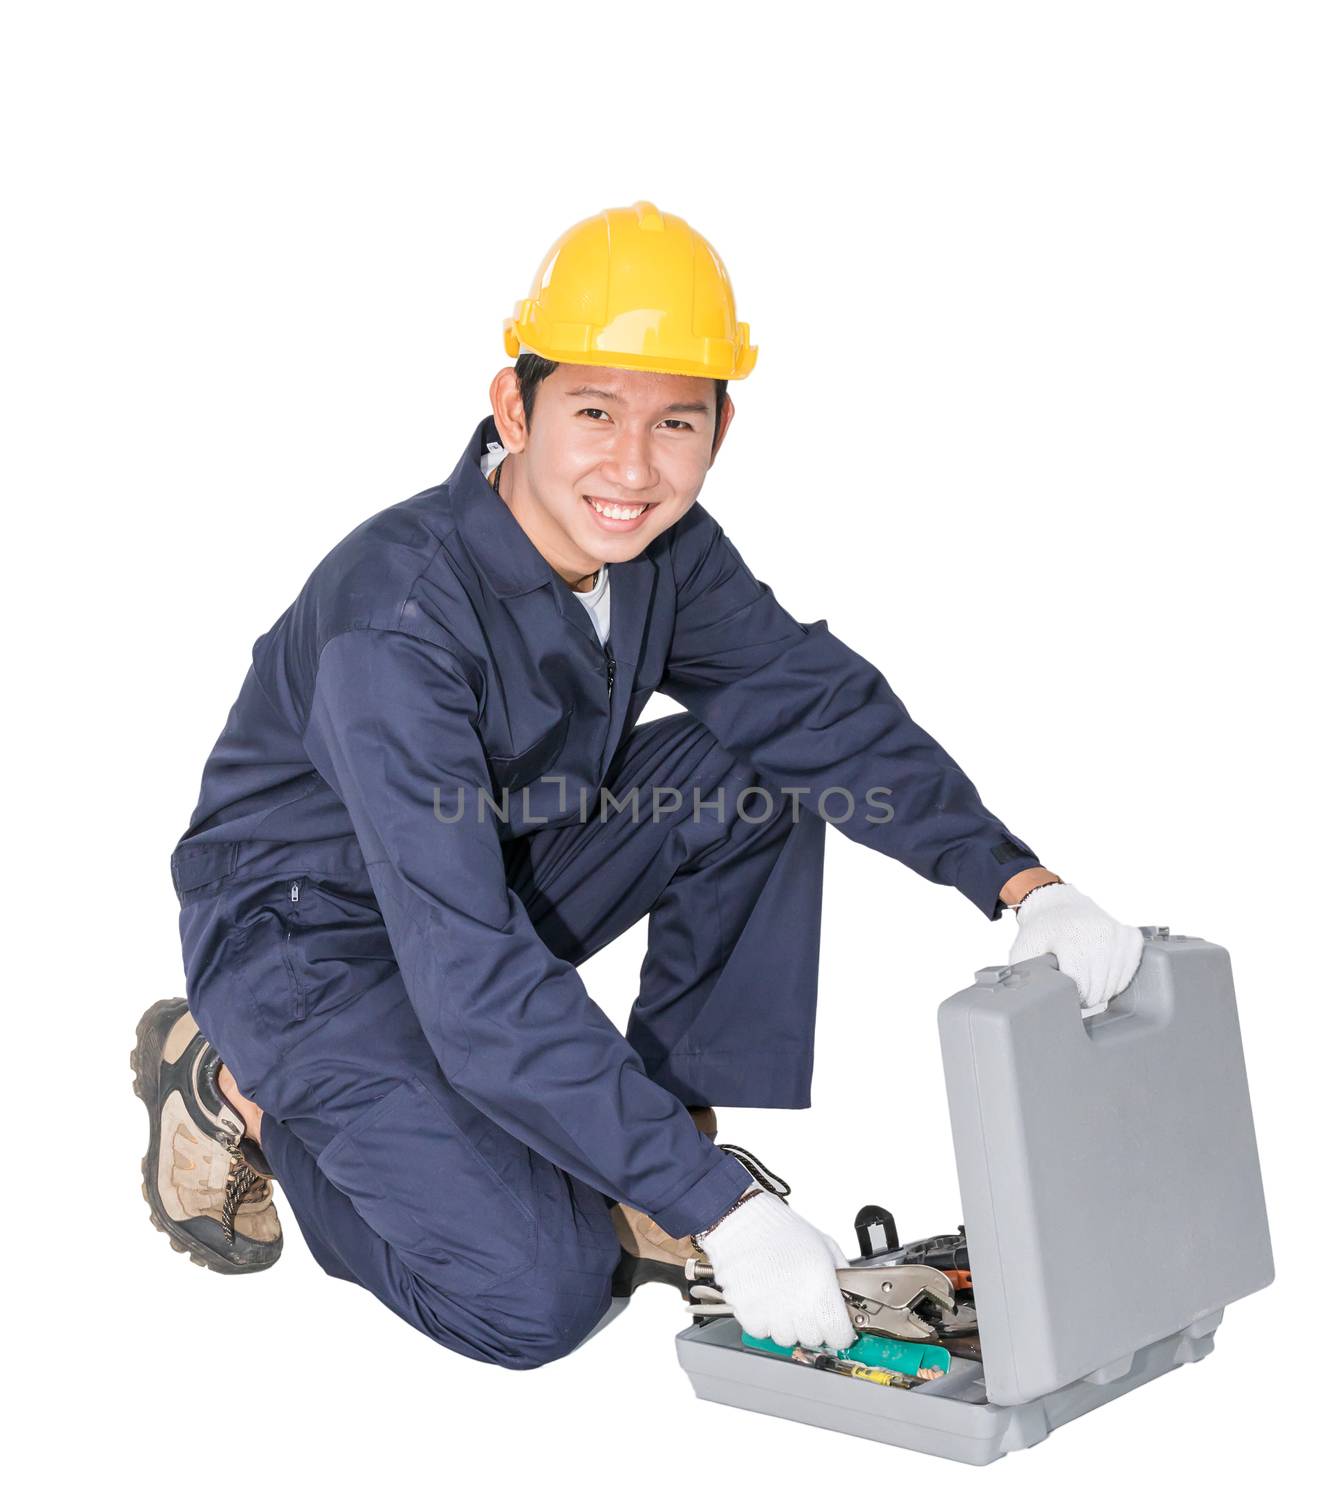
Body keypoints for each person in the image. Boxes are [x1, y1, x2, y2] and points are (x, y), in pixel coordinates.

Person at [133, 200, 1143, 1367]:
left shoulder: (660, 551)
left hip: (490, 869)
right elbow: (464, 967)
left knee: (760, 770)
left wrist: (1020, 885)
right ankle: (234, 1084)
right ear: (513, 409)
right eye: (594, 411)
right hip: (314, 946)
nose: (632, 464)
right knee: (540, 1294)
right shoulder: (395, 619)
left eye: (675, 420)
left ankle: (650, 1153)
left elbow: (811, 707)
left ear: (721, 427)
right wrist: (725, 1210)